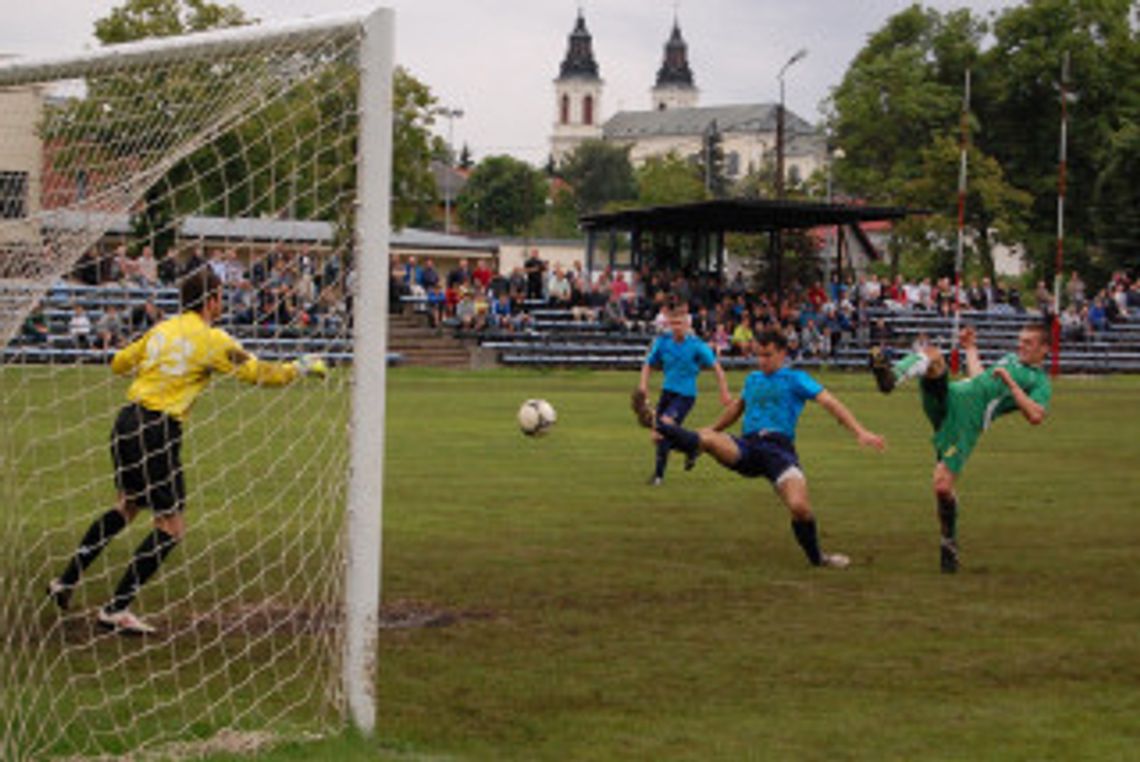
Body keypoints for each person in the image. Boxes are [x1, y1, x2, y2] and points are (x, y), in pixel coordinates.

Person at [47, 268, 328, 635]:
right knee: (171, 526)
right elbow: (258, 372)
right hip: (157, 430)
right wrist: (300, 367)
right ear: (211, 300)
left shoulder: (162, 329)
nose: (223, 302)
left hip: (126, 422)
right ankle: (116, 608)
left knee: (127, 507)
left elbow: (118, 363)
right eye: (221, 295)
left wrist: (156, 364)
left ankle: (65, 581)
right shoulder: (211, 339)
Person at [632, 329, 885, 568]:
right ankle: (656, 422)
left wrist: (860, 431)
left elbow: (830, 403)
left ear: (783, 353)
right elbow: (735, 410)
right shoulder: (752, 379)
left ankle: (817, 558)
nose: (761, 361)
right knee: (707, 438)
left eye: (767, 355)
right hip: (748, 447)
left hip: (779, 452)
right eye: (758, 354)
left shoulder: (796, 379)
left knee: (800, 508)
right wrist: (712, 430)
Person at [868, 323, 1051, 573]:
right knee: (934, 357)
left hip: (967, 419)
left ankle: (948, 543)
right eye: (1021, 340)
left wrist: (1011, 383)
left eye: (1028, 342)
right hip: (952, 395)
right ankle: (891, 377)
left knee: (942, 486)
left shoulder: (1040, 381)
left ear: (1044, 349)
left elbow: (1036, 415)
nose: (1021, 345)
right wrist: (971, 348)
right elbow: (980, 380)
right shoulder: (1010, 359)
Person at [634, 306, 732, 486]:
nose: (676, 327)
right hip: (667, 393)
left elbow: (716, 368)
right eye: (673, 323)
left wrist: (724, 391)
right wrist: (643, 387)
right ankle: (691, 447)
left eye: (680, 323)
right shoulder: (663, 342)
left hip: (685, 395)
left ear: (687, 324)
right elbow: (648, 364)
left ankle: (659, 476)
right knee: (657, 436)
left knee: (665, 425)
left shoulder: (696, 345)